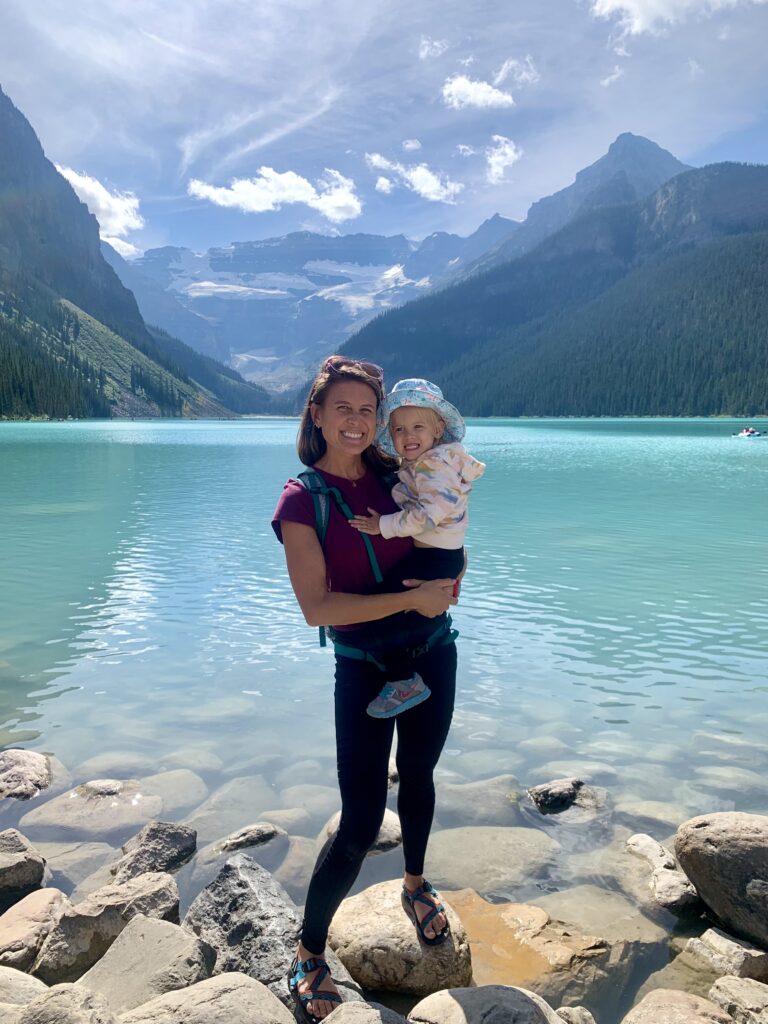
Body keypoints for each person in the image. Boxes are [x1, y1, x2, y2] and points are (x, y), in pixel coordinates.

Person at [272, 355, 460, 1023]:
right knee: (357, 820)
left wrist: (450, 583)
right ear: (316, 414)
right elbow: (317, 608)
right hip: (364, 670)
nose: (357, 422)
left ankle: (414, 883)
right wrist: (416, 599)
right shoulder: (302, 501)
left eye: (366, 411)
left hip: (432, 654)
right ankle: (308, 950)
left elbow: (446, 525)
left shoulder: (399, 472)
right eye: (343, 408)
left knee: (420, 774)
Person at [350, 378, 485, 719]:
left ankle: (403, 681)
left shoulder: (434, 466)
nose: (407, 436)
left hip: (434, 557)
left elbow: (426, 518)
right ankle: (406, 674)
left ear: (438, 429)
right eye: (398, 429)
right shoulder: (432, 461)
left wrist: (382, 525)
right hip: (439, 555)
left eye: (417, 427)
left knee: (382, 611)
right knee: (397, 609)